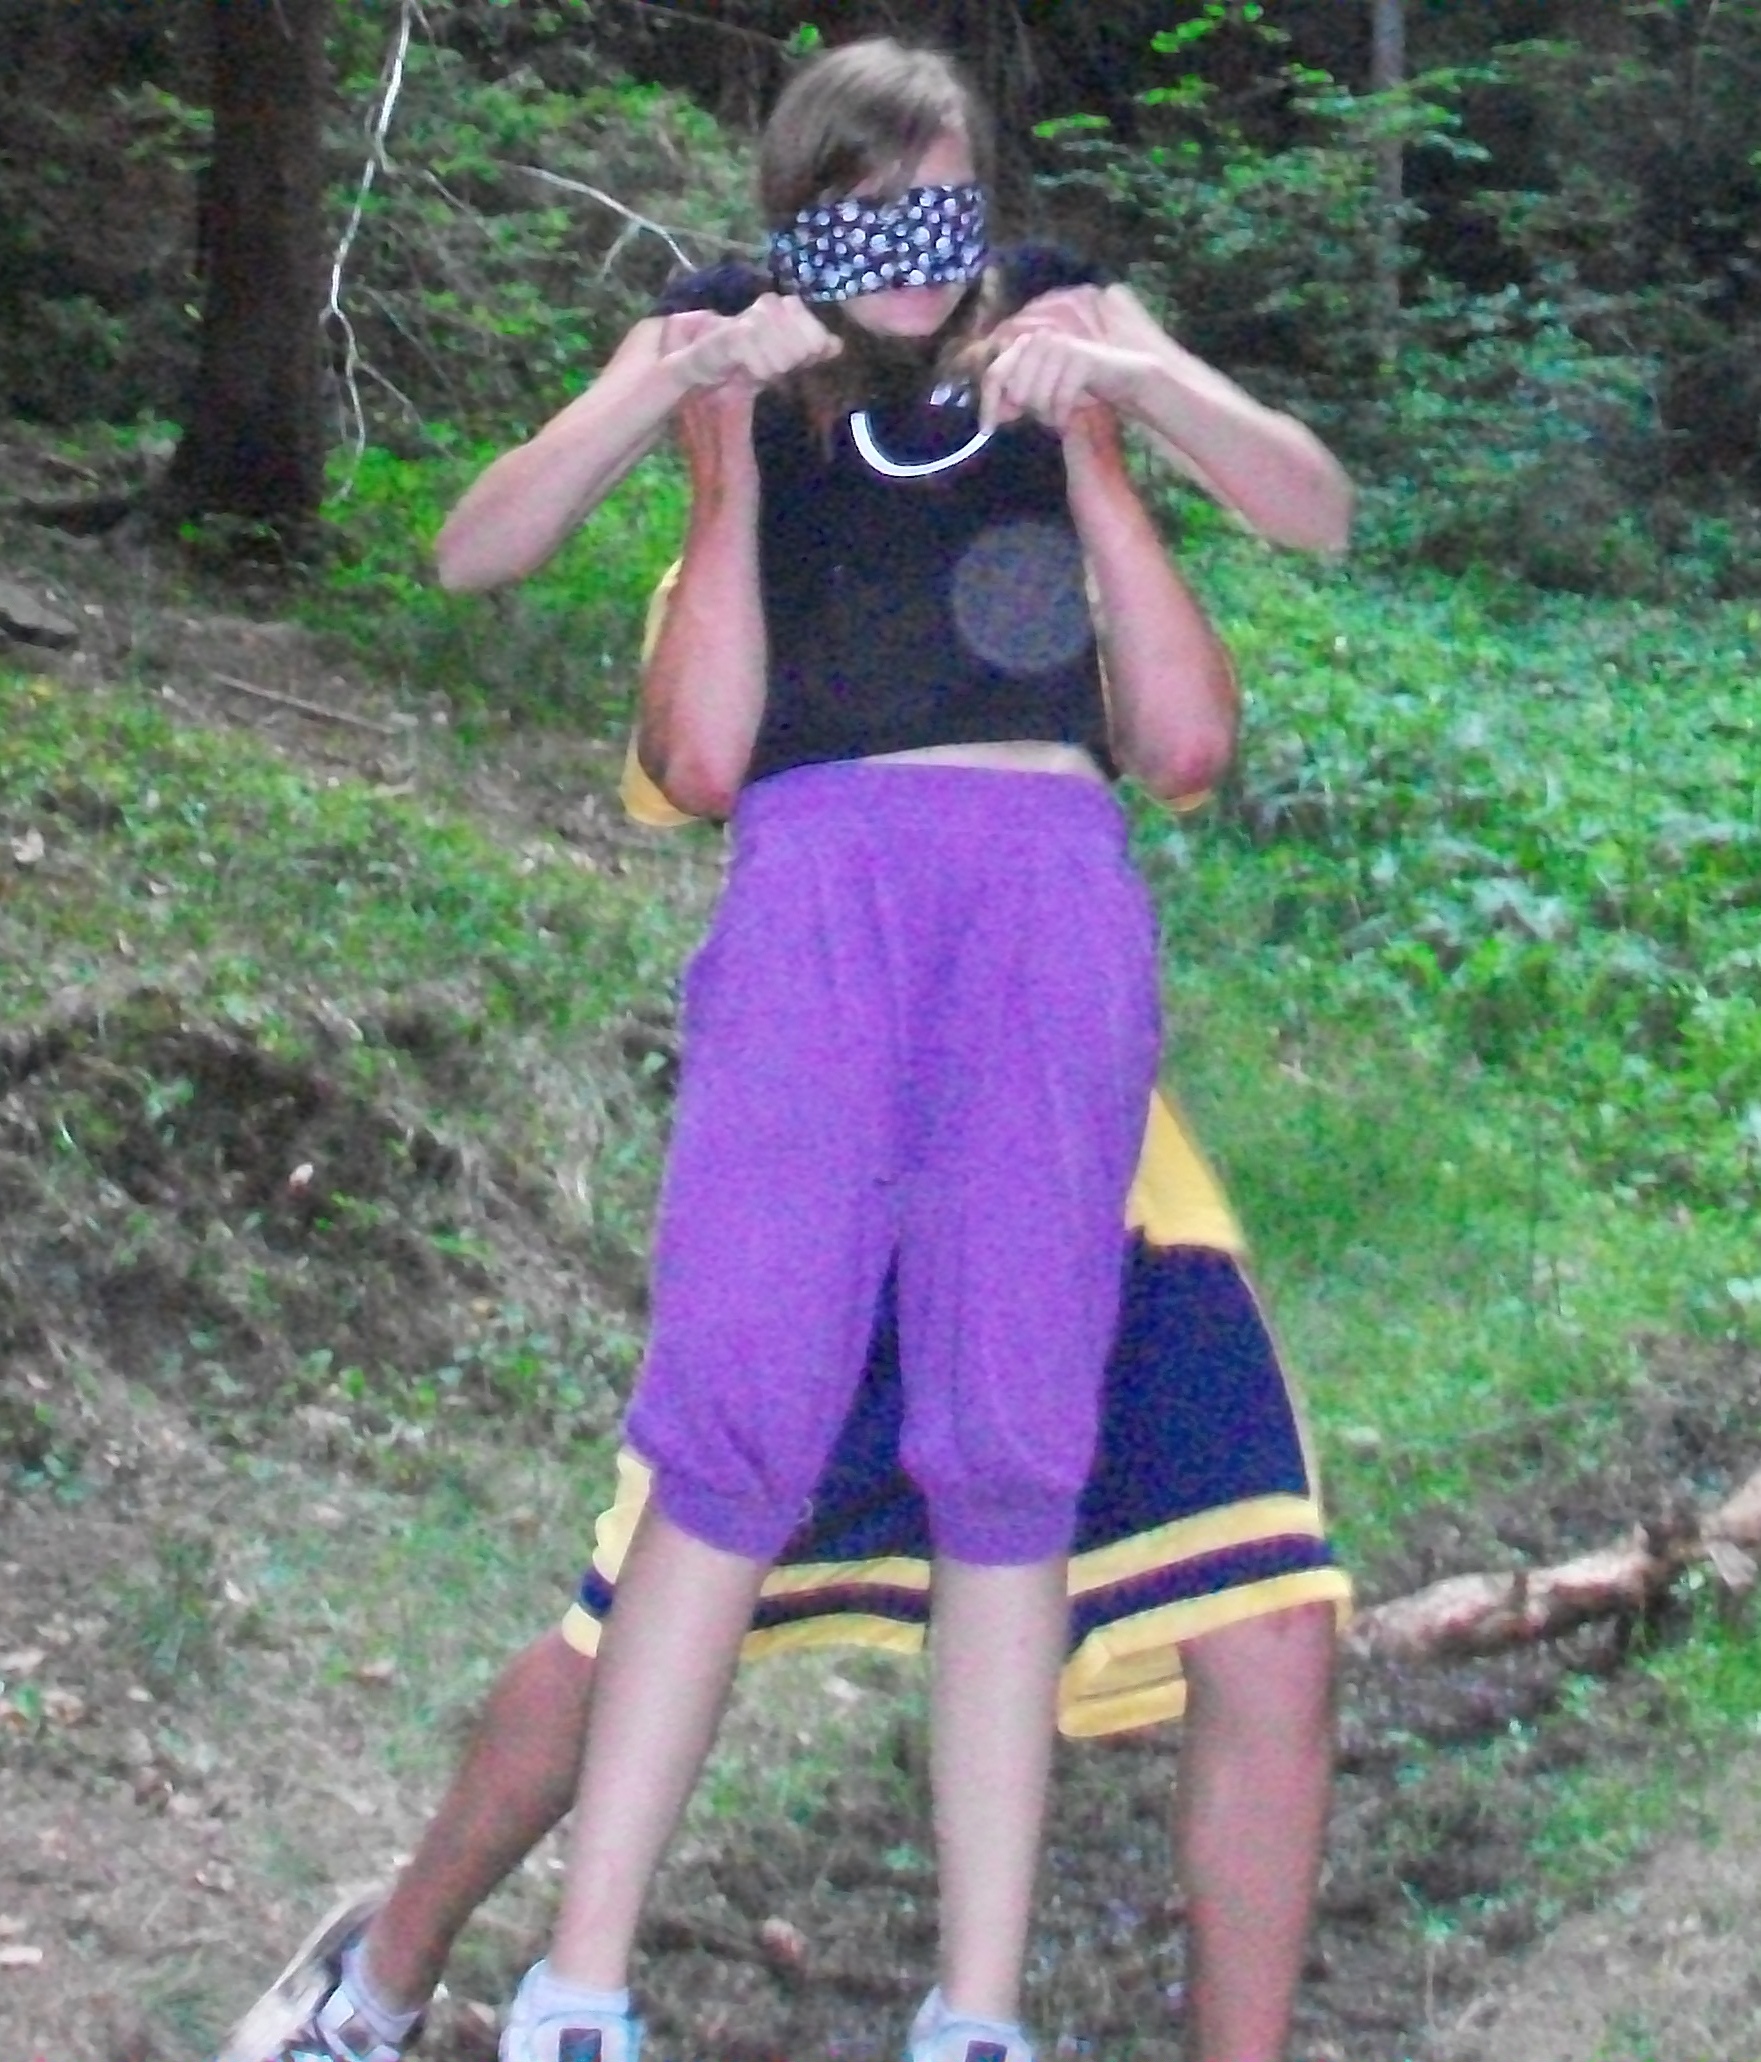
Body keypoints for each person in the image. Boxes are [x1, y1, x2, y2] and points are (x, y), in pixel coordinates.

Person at [407, 37, 1350, 2062]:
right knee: (731, 1426)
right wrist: (680, 401)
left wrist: (1127, 391)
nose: (907, 252)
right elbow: (478, 555)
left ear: (980, 190)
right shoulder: (729, 344)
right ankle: (578, 1990)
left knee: (1013, 1452)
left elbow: (1312, 511)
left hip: (1047, 890)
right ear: (798, 212)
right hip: (821, 891)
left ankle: (975, 2009)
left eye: (939, 203)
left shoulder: (1056, 311)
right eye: (860, 213)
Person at [210, 1089, 1347, 2062]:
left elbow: (1155, 871)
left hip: (1092, 1158)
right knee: (627, 1639)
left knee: (1269, 1614)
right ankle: (371, 1988)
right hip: (842, 1164)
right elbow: (726, 882)